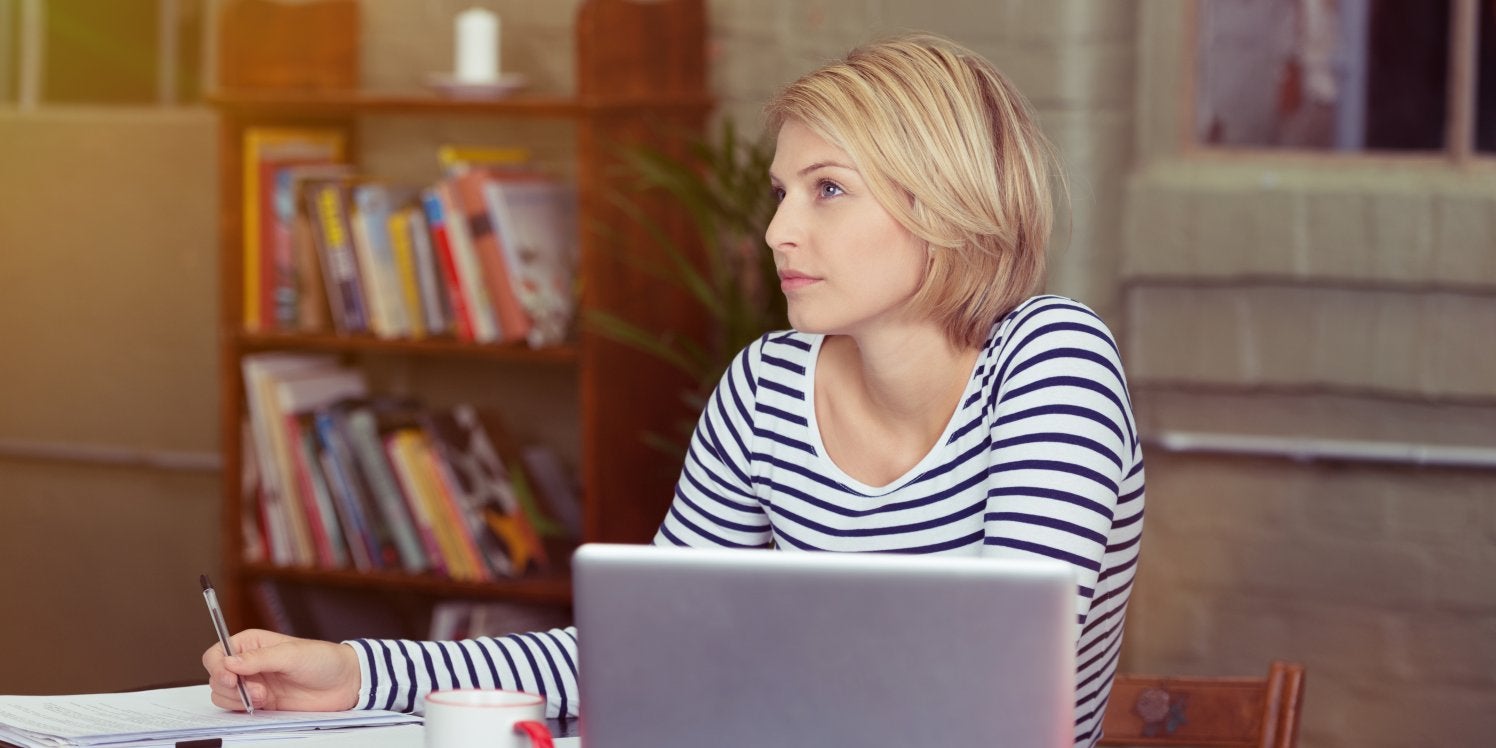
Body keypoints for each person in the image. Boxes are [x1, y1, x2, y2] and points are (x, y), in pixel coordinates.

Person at [203, 33, 1144, 748]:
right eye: (781, 192)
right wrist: (357, 674)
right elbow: (637, 661)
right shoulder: (766, 389)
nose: (778, 232)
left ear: (944, 203)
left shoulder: (1051, 360)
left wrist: (747, 669)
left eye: (827, 190)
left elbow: (997, 683)